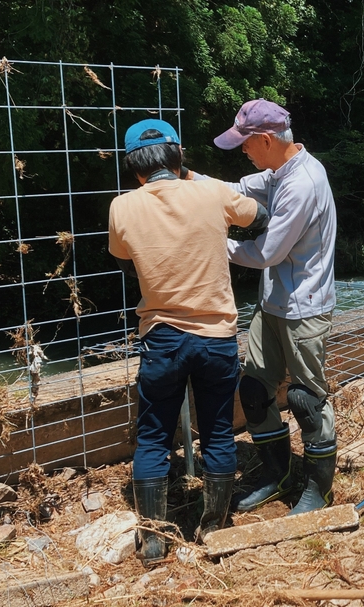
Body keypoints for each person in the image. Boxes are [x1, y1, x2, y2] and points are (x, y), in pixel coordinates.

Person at [108, 119, 267, 565]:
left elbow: (126, 262)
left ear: (134, 166)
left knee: (153, 437)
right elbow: (260, 217)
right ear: (178, 156)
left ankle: (154, 540)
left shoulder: (122, 206)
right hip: (216, 338)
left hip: (161, 338)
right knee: (217, 430)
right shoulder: (211, 193)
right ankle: (213, 526)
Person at [201, 99, 338, 516]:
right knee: (255, 392)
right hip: (272, 303)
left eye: (245, 143)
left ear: (265, 139)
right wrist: (184, 180)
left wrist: (211, 242)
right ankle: (277, 476)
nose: (242, 150)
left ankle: (317, 490)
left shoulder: (303, 184)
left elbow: (266, 253)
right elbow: (236, 188)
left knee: (306, 400)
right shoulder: (279, 172)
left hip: (304, 308)